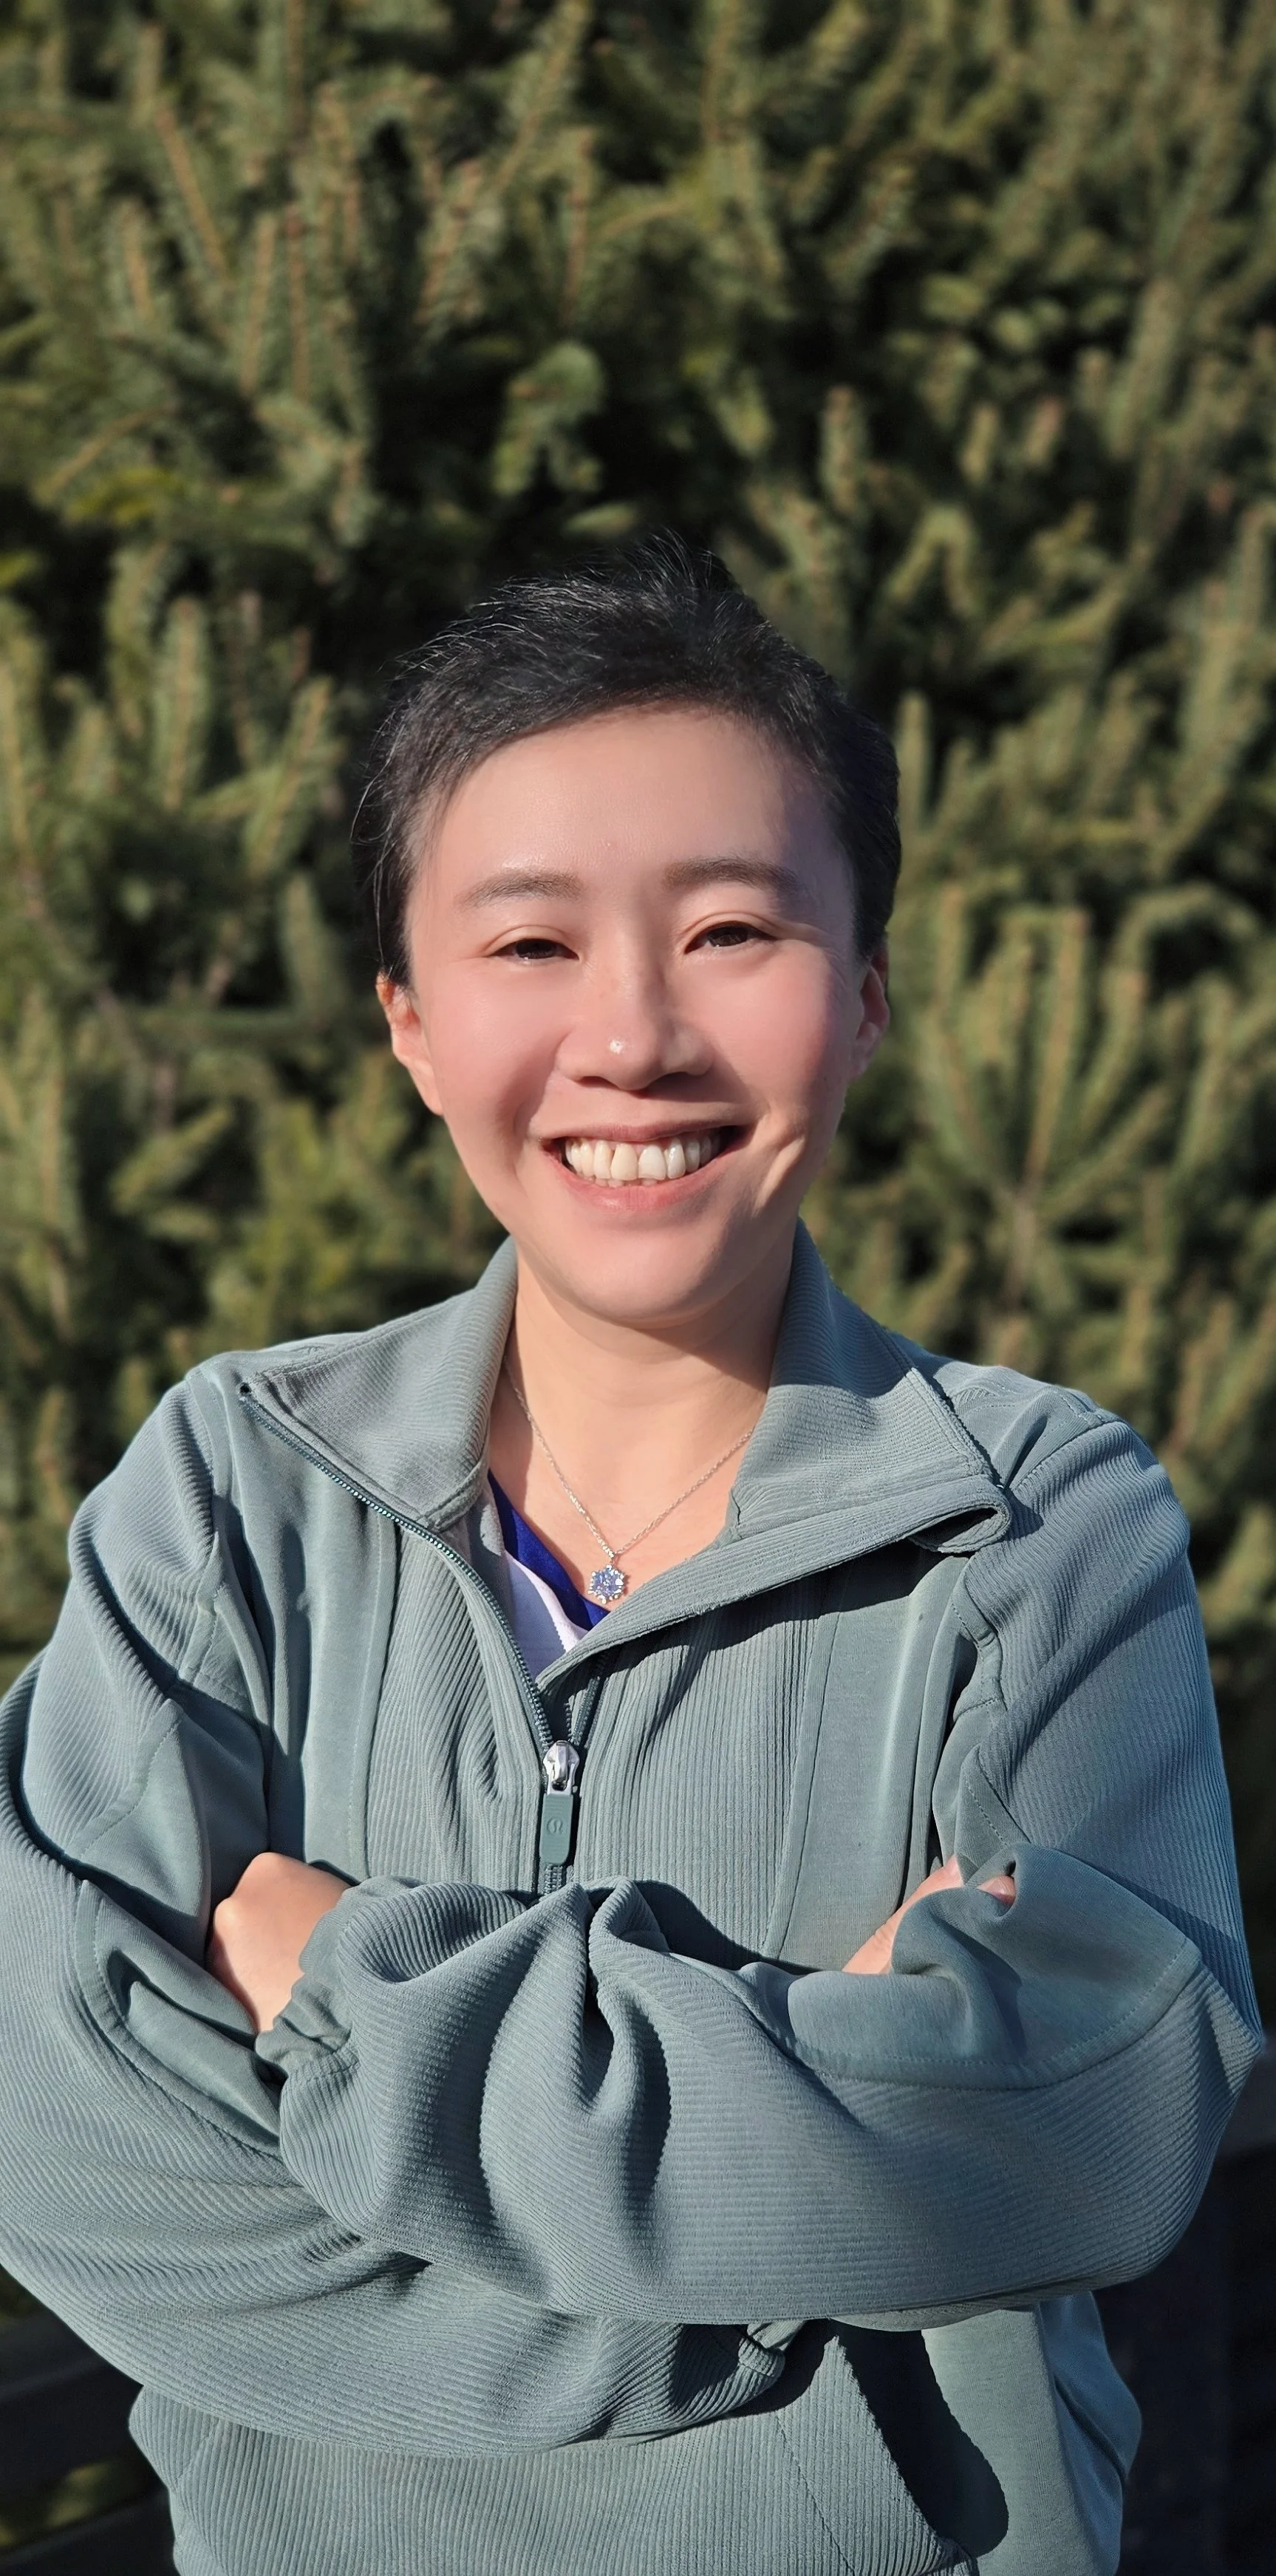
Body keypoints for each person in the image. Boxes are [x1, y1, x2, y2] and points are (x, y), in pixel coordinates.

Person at [0, 538, 1259, 2576]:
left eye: (731, 929)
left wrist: (354, 1991)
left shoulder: (1036, 1517)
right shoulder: (233, 1493)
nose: (634, 1035)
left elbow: (1092, 2131)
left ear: (862, 997)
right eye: (530, 943)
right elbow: (60, 2134)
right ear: (412, 1024)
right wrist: (787, 2223)